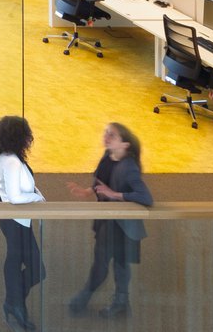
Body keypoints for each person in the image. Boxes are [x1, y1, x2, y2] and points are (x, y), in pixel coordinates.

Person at [68, 122, 153, 318]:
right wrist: (86, 192)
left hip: (121, 225)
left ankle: (90, 300)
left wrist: (115, 194)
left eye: (112, 135)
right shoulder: (107, 157)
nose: (106, 136)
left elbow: (146, 198)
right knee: (111, 264)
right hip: (108, 222)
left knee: (115, 264)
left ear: (124, 145)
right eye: (106, 132)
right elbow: (100, 182)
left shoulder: (129, 167)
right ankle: (117, 303)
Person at [0, 114, 45, 331]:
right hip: (15, 216)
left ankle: (14, 303)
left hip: (12, 215)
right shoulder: (12, 161)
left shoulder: (6, 157)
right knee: (35, 268)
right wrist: (37, 198)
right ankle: (15, 304)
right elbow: (15, 197)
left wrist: (36, 193)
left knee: (16, 259)